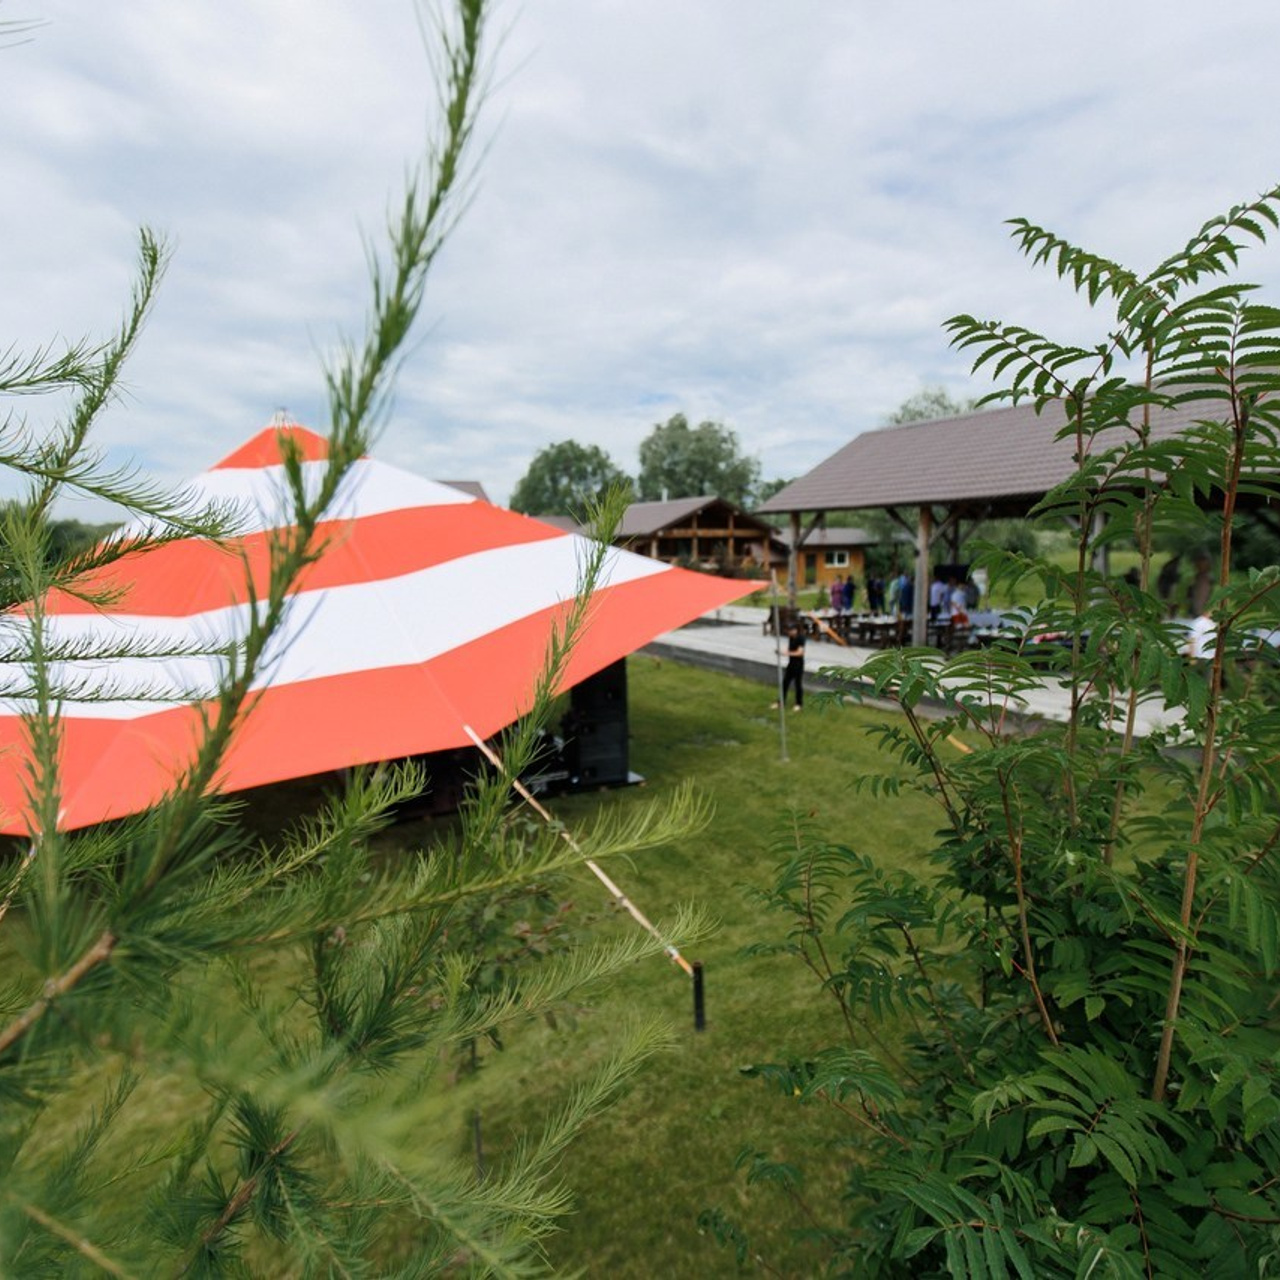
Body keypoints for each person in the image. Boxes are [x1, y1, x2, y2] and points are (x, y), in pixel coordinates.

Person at [772, 622, 806, 712]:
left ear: (795, 630)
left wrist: (786, 653)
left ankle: (799, 704)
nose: (789, 632)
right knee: (785, 683)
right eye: (788, 630)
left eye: (791, 630)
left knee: (798, 685)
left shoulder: (801, 638)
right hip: (791, 664)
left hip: (798, 665)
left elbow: (800, 653)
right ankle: (781, 702)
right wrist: (780, 652)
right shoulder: (791, 638)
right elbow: (790, 650)